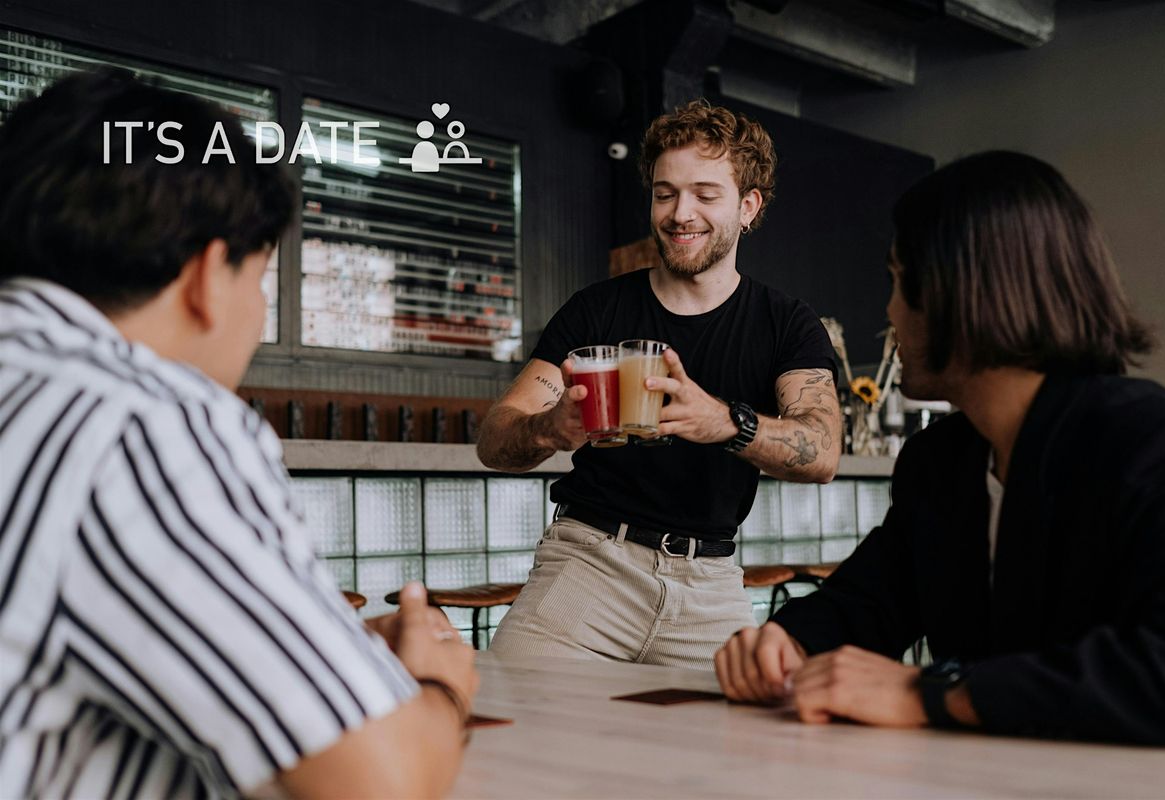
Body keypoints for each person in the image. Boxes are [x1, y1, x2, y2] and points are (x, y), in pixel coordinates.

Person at [0, 69, 478, 798]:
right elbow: (381, 783)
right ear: (206, 275)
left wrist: (326, 663)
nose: (256, 311)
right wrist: (436, 686)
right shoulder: (143, 421)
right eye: (259, 281)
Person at [714, 151, 1165, 746]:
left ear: (959, 292)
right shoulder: (940, 462)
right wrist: (784, 642)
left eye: (897, 279)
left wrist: (930, 692)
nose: (890, 311)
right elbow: (869, 600)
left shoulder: (1158, 446)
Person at [478, 100, 841, 669]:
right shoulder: (595, 310)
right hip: (588, 566)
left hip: (711, 583)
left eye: (705, 194)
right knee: (506, 710)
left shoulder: (786, 323)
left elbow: (822, 450)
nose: (680, 213)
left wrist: (725, 423)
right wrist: (549, 427)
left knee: (747, 723)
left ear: (748, 207)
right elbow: (495, 438)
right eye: (665, 193)